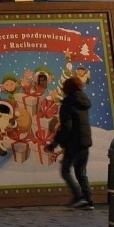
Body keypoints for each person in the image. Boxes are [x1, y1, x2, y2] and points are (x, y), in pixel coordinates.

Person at [47, 75, 93, 209]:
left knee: (66, 171)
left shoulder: (67, 104)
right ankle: (88, 200)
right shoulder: (84, 101)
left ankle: (78, 197)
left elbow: (66, 126)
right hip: (85, 141)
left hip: (74, 142)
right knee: (81, 172)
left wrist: (55, 142)